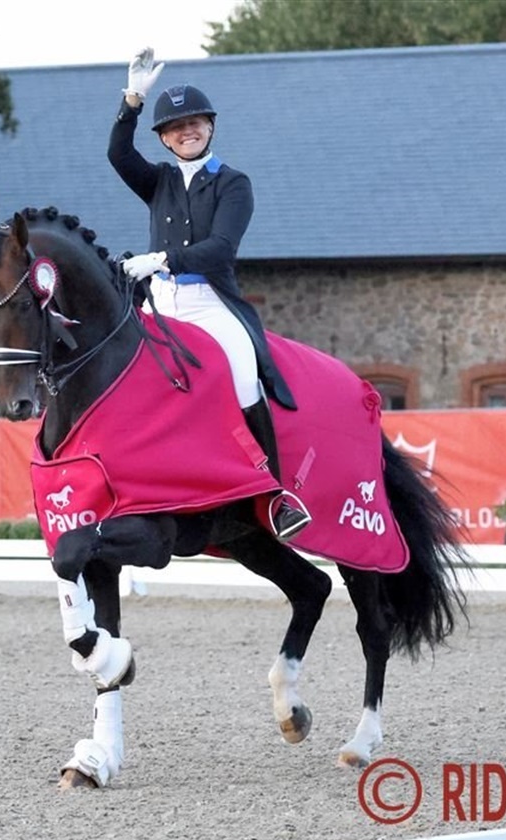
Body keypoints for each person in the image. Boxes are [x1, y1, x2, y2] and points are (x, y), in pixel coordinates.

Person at [109, 47, 311, 543]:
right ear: (164, 138)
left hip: (209, 301)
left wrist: (162, 259)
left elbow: (221, 247)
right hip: (160, 301)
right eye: (176, 127)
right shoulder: (157, 181)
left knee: (243, 373)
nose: (187, 131)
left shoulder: (233, 183)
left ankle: (277, 495)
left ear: (210, 127)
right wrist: (133, 99)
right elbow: (118, 154)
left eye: (195, 123)